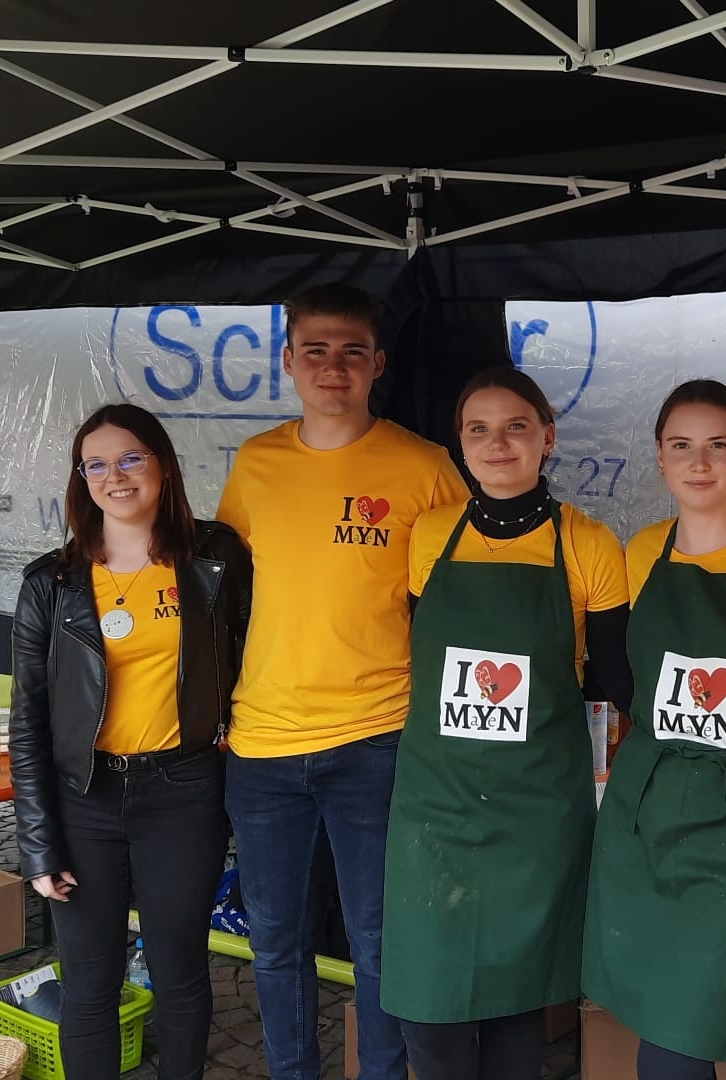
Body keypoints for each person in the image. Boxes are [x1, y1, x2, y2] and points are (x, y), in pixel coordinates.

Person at [215, 283, 468, 1080]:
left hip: (379, 741)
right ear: (288, 362)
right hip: (261, 746)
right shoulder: (256, 463)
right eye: (315, 351)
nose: (333, 367)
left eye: (352, 351)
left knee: (380, 943)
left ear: (378, 365)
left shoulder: (424, 466)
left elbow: (464, 595)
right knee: (277, 943)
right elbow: (225, 592)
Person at [382, 367, 630, 1080]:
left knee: (520, 1013)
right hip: (436, 806)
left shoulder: (589, 545)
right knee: (429, 1013)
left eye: (516, 426)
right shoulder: (428, 536)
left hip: (536, 814)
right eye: (478, 429)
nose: (498, 443)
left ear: (546, 438)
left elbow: (617, 681)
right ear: (459, 444)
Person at [9, 403, 252, 1080]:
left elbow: (255, 657)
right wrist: (38, 843)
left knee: (179, 975)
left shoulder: (215, 559)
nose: (114, 476)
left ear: (163, 464)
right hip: (85, 798)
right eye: (96, 464)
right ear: (80, 479)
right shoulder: (50, 584)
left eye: (130, 458)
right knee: (89, 984)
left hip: (185, 794)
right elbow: (26, 718)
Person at [583, 379, 726, 1079]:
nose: (699, 462)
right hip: (645, 817)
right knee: (656, 1017)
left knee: (687, 1022)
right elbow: (618, 677)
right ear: (659, 457)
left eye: (717, 445)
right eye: (682, 446)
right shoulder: (640, 552)